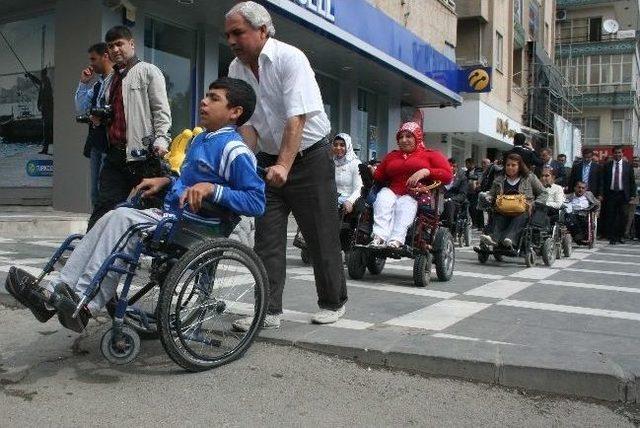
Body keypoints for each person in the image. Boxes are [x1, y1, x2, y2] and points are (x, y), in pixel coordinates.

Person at [5, 77, 266, 333]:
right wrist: (165, 180)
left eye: (213, 98)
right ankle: (55, 290)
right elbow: (189, 180)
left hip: (198, 227)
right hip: (174, 217)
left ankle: (84, 301)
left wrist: (213, 189)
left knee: (123, 221)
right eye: (206, 95)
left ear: (235, 112)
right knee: (112, 217)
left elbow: (256, 201)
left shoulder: (234, 150)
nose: (203, 101)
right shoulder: (201, 140)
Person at [224, 2, 347, 330]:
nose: (232, 40)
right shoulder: (236, 70)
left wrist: (284, 166)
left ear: (262, 30)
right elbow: (248, 124)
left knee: (320, 234)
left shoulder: (290, 58)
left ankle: (333, 302)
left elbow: (297, 118)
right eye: (228, 35)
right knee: (267, 238)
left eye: (239, 32)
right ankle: (268, 309)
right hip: (268, 160)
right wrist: (246, 161)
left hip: (310, 158)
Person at [87, 25, 172, 230]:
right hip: (115, 155)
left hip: (144, 155)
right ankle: (88, 254)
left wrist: (162, 140)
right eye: (111, 46)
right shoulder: (110, 80)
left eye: (119, 44)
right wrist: (101, 119)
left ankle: (152, 259)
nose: (115, 49)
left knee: (151, 211)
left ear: (131, 44)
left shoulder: (148, 71)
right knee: (103, 208)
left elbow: (161, 111)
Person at [370, 122, 453, 248]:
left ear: (417, 138)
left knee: (406, 204)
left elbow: (448, 176)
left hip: (414, 194)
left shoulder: (431, 154)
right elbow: (380, 176)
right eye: (401, 137)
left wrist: (426, 171)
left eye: (408, 136)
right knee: (383, 198)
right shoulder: (392, 155)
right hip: (392, 191)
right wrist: (372, 171)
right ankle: (379, 237)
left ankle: (396, 240)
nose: (404, 140)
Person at [74, 42, 114, 208]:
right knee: (95, 192)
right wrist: (83, 83)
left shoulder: (117, 81)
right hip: (96, 141)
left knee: (105, 189)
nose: (91, 63)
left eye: (93, 59)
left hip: (111, 144)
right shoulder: (98, 84)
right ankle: (96, 226)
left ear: (105, 56)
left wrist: (103, 118)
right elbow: (81, 107)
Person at [480, 153, 544, 250]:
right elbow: (491, 194)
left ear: (520, 166)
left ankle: (509, 239)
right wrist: (489, 197)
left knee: (520, 217)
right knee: (499, 216)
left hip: (523, 209)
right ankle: (493, 238)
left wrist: (533, 204)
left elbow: (544, 193)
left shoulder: (529, 178)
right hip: (503, 209)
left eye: (513, 165)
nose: (510, 167)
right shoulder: (499, 180)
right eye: (508, 165)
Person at [602, 146, 637, 244]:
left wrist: (633, 194)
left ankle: (621, 236)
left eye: (619, 152)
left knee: (623, 216)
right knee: (611, 216)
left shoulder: (627, 166)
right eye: (616, 153)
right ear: (613, 154)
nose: (617, 154)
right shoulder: (607, 165)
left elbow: (632, 181)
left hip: (623, 194)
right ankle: (612, 237)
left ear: (622, 154)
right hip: (611, 194)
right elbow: (603, 181)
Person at [25, 68, 53, 155]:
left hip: (47, 111)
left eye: (41, 74)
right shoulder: (44, 82)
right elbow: (37, 81)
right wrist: (30, 75)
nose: (41, 76)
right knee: (48, 130)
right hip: (47, 110)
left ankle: (45, 149)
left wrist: (41, 106)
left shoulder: (46, 83)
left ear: (43, 74)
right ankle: (45, 149)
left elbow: (45, 97)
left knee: (47, 130)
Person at [441, 158, 468, 230]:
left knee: (449, 203)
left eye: (454, 166)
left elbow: (462, 195)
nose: (451, 168)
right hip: (441, 199)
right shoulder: (442, 177)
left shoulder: (462, 178)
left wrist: (450, 199)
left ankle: (450, 226)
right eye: (449, 166)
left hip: (454, 200)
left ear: (457, 167)